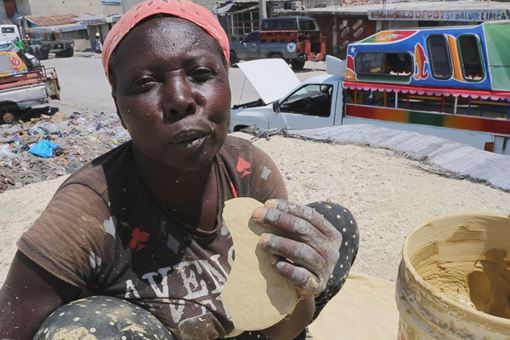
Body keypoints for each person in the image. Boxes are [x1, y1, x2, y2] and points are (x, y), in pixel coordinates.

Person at [0, 0, 359, 339]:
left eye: (201, 73)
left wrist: (302, 289)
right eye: (145, 82)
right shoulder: (86, 212)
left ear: (227, 84)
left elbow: (279, 330)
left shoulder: (251, 173)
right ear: (118, 106)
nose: (180, 100)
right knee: (88, 327)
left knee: (330, 227)